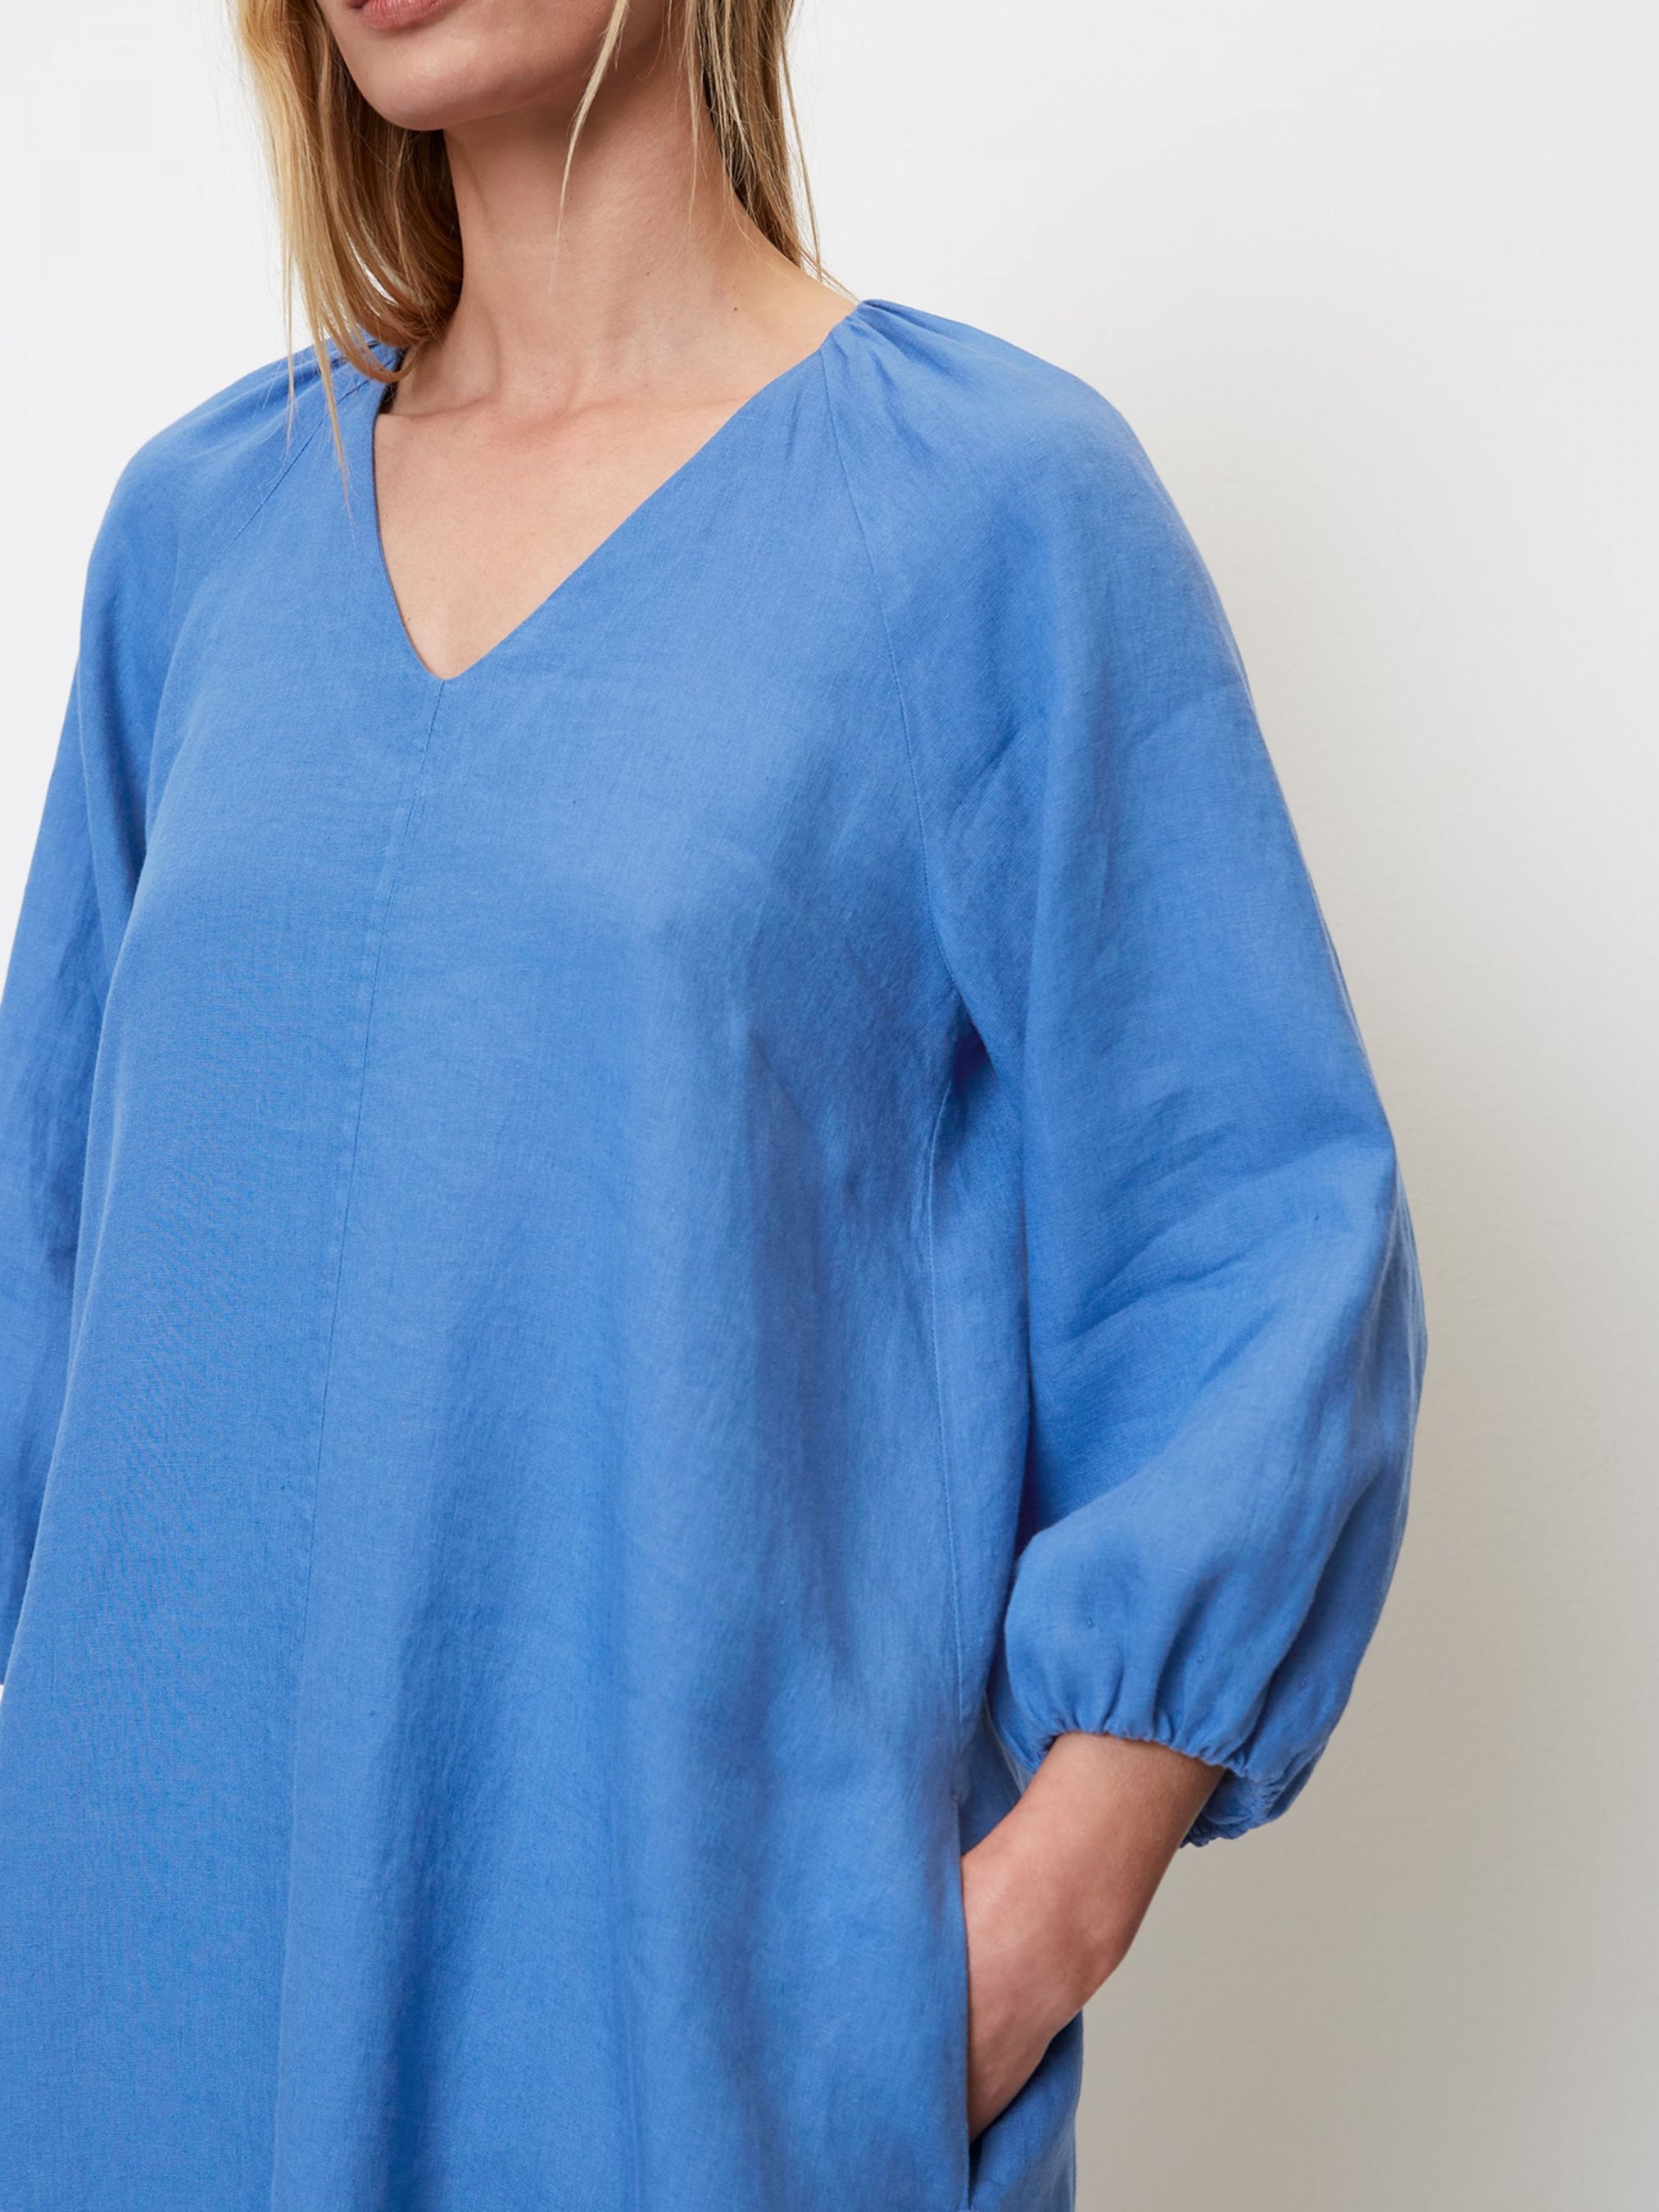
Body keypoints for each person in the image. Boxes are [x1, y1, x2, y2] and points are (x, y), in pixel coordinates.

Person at [0, 2, 1425, 2208]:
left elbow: (1253, 1249)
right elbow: (45, 1263)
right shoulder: (196, 534)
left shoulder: (988, 518)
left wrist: (1003, 1947)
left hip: (677, 2054)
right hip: (134, 2013)